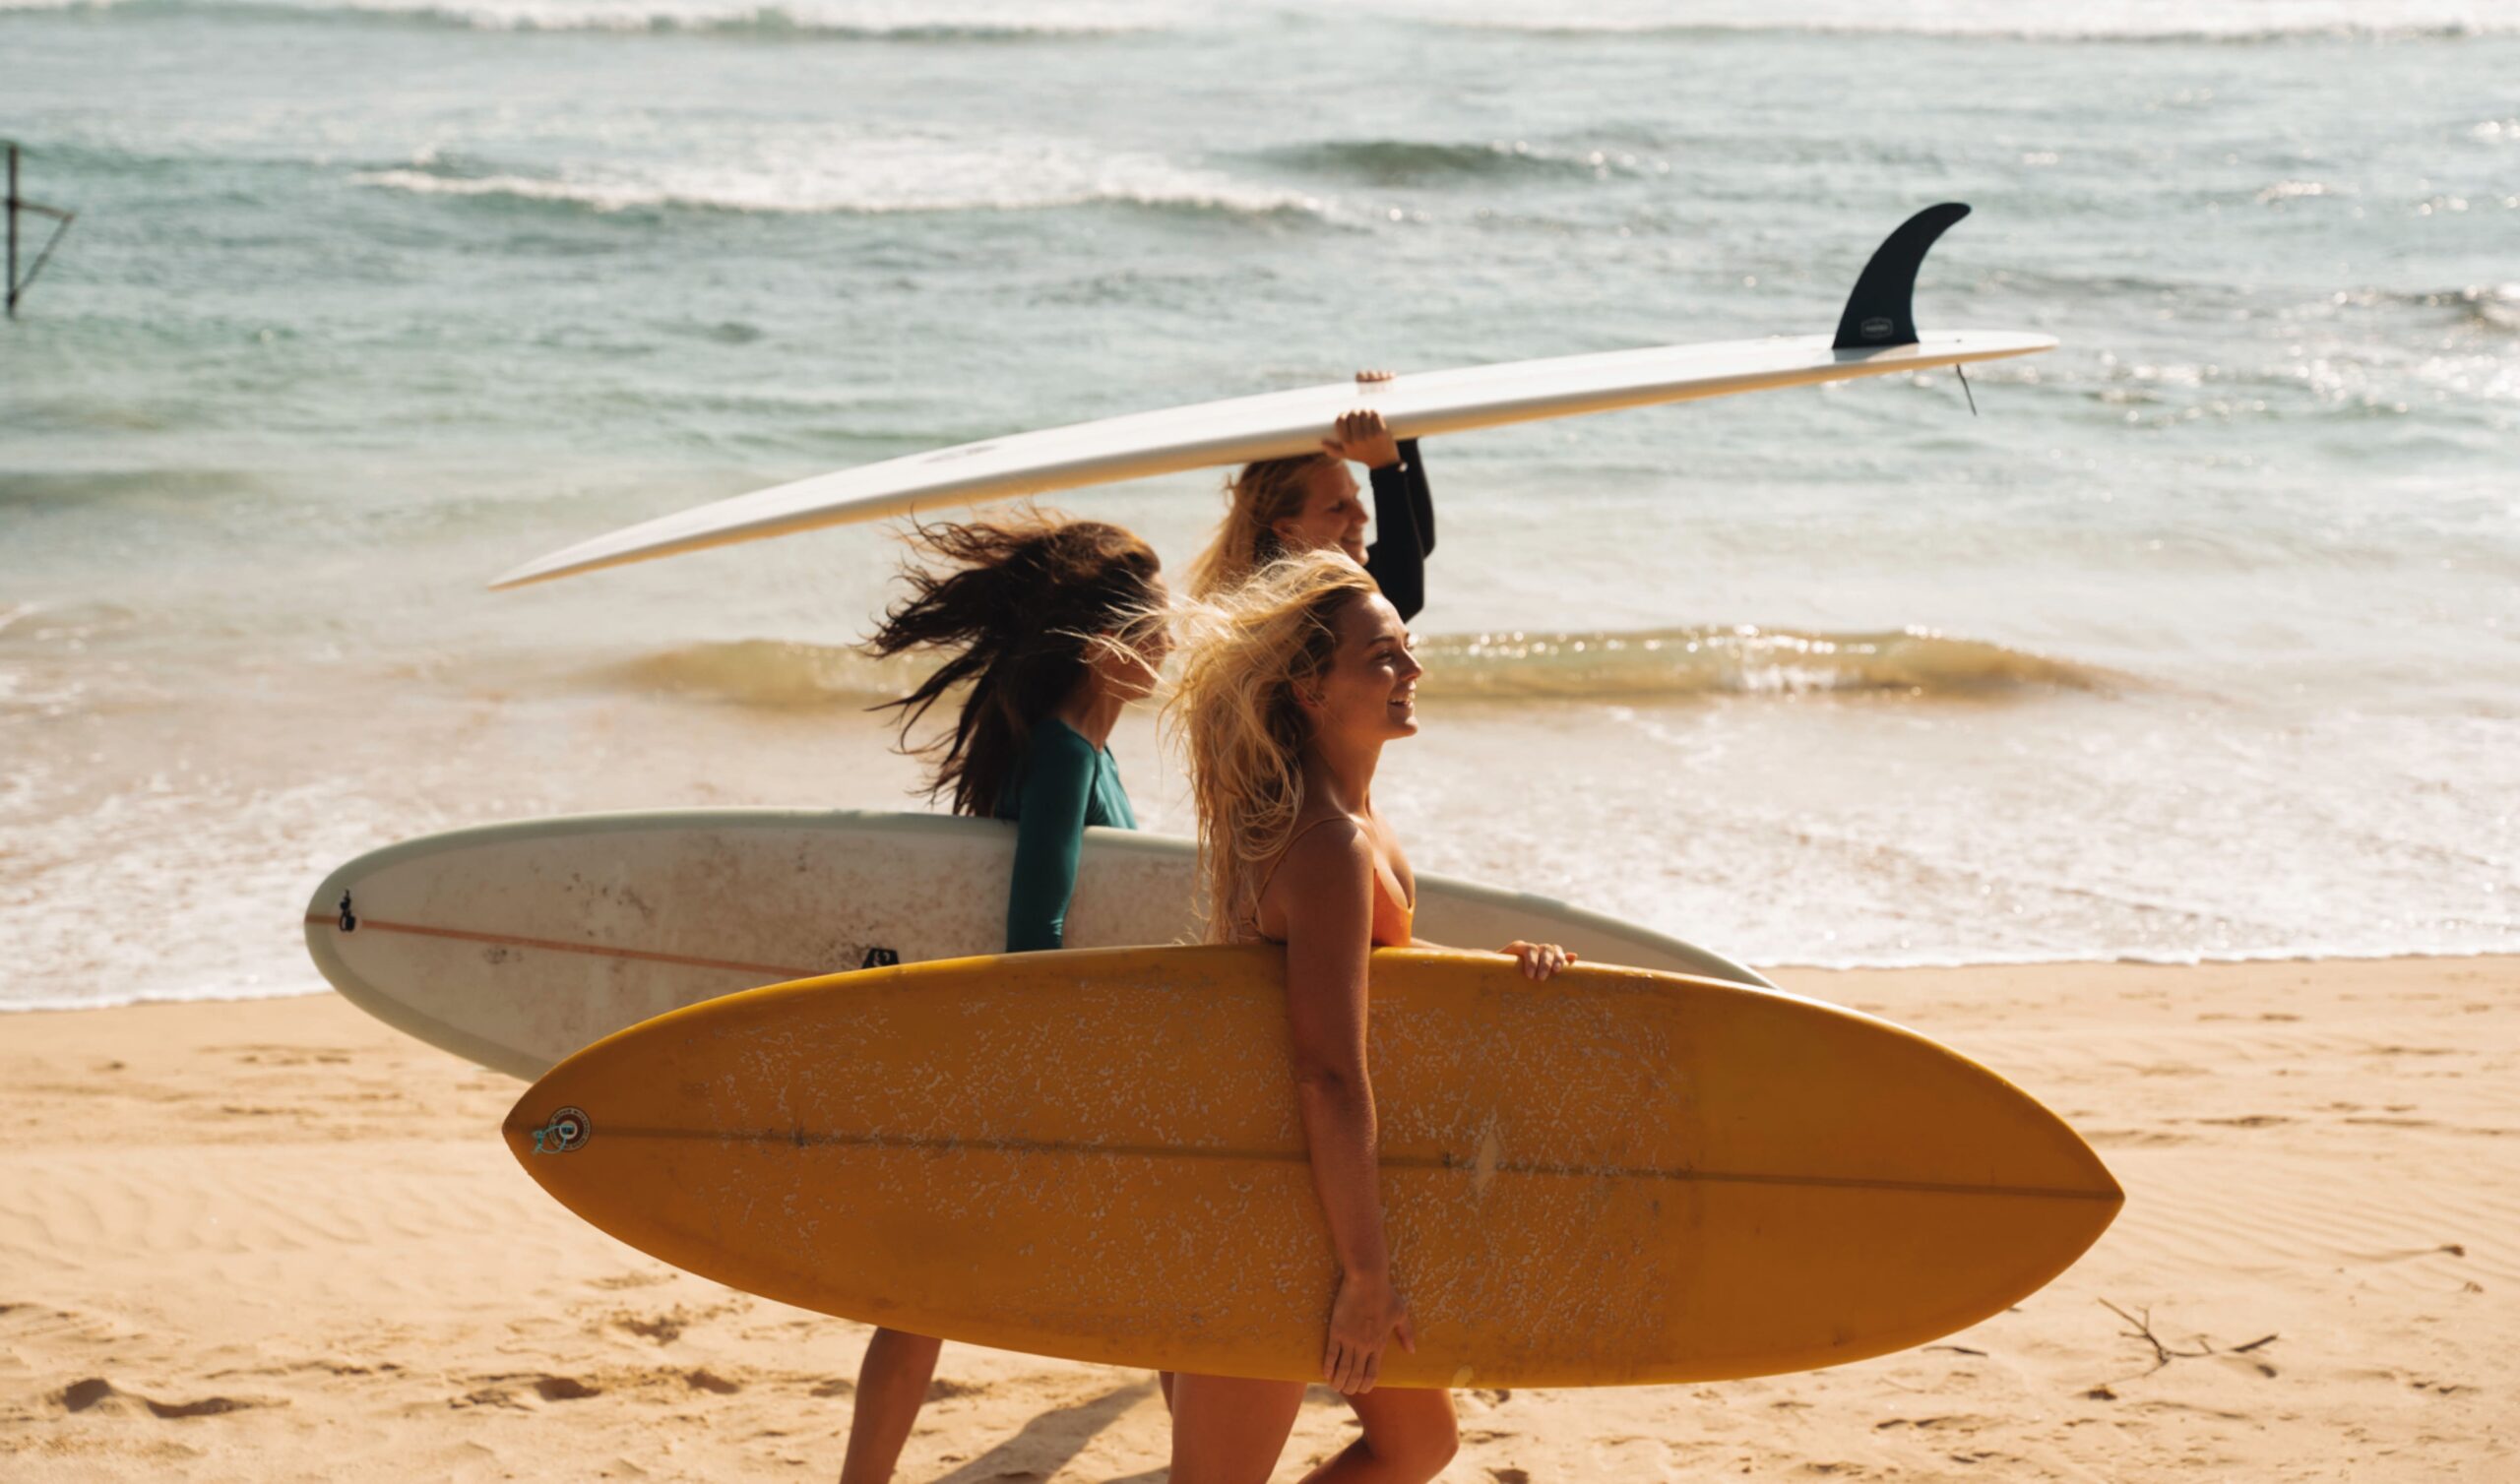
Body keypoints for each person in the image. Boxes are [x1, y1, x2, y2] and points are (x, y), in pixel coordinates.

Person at [1160, 550, 1570, 1484]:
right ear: (1310, 687)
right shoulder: (1328, 841)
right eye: (1383, 656)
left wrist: (1490, 975)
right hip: (1278, 1218)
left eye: (1408, 649)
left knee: (1421, 1444)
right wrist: (1365, 1276)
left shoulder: (1348, 819)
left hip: (1306, 1190)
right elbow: (1327, 1069)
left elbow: (1355, 977)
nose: (1411, 671)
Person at [840, 514, 1170, 1481]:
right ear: (1109, 647)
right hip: (1036, 1069)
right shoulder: (1066, 753)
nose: (1173, 643)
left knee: (925, 1296)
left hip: (1016, 1059)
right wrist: (1063, 1091)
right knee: (1156, 1286)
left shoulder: (1077, 749)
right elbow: (1037, 933)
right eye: (1157, 627)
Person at [1189, 372, 1437, 621]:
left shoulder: (1300, 584)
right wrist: (1385, 468)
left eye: (1355, 498)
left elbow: (1417, 542)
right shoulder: (1287, 609)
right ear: (1287, 529)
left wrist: (1399, 435)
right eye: (1338, 507)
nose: (1362, 516)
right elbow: (1402, 597)